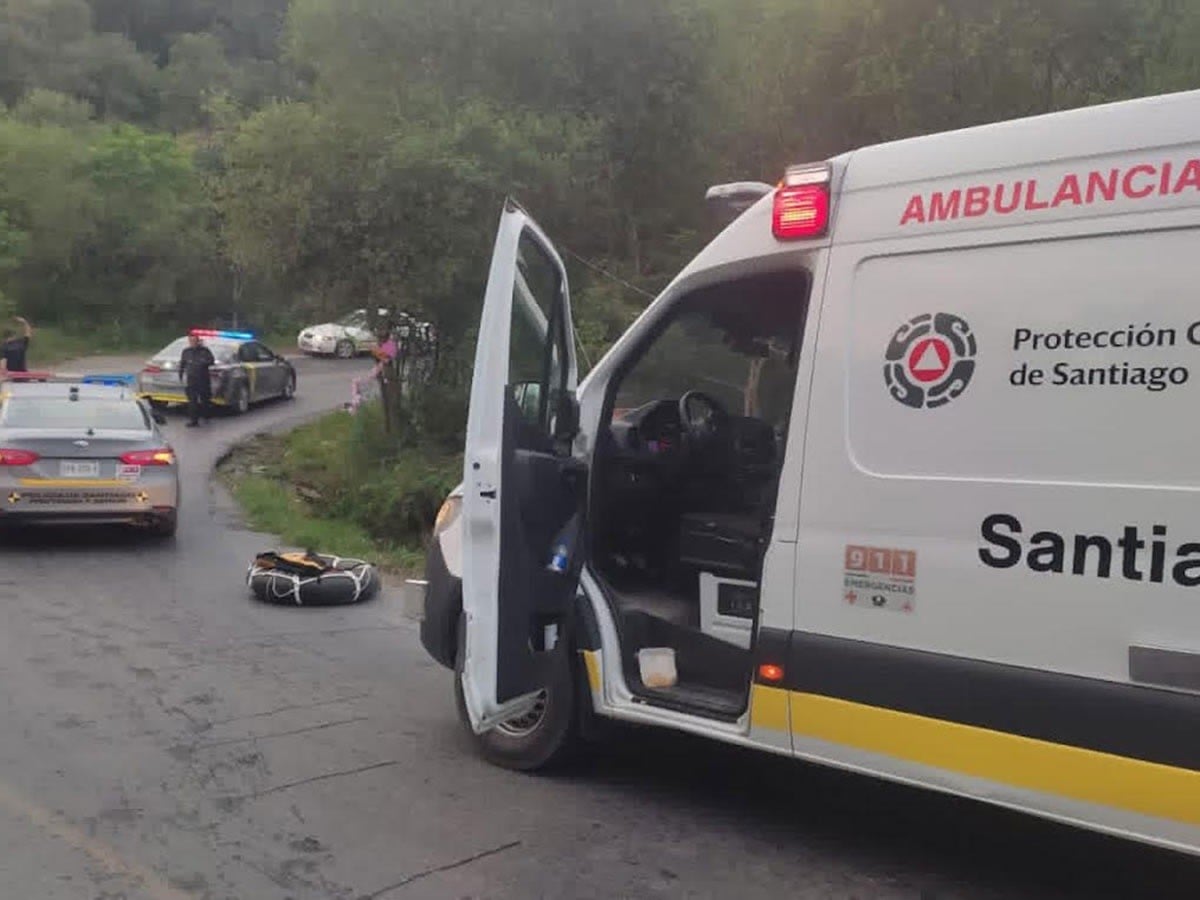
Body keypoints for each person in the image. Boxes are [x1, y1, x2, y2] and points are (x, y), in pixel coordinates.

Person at [179, 333, 216, 427]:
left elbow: (211, 361)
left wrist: (203, 363)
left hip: (203, 379)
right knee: (192, 401)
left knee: (205, 400)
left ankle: (206, 415)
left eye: (194, 341)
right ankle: (193, 420)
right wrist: (181, 374)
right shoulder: (186, 351)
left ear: (198, 341)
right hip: (191, 380)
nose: (192, 342)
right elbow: (182, 364)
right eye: (191, 341)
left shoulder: (204, 351)